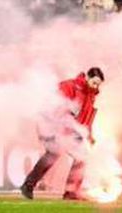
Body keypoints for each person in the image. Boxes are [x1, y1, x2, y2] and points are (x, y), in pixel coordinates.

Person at [21, 67, 105, 200]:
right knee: (53, 155)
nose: (96, 86)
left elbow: (87, 118)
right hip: (56, 127)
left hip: (73, 131)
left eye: (98, 84)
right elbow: (57, 106)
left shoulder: (91, 95)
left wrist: (89, 135)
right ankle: (28, 185)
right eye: (94, 82)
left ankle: (71, 192)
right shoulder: (70, 86)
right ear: (87, 78)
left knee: (82, 157)